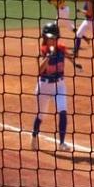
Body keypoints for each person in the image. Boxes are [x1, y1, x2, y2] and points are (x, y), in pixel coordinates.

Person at [30, 22, 72, 152]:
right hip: (44, 86)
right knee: (41, 115)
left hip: (59, 85)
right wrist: (49, 56)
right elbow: (40, 69)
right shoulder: (43, 51)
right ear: (45, 38)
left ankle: (62, 143)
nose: (51, 41)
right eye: (49, 38)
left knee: (63, 111)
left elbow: (71, 55)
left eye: (53, 38)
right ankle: (34, 136)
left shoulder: (61, 49)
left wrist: (72, 58)